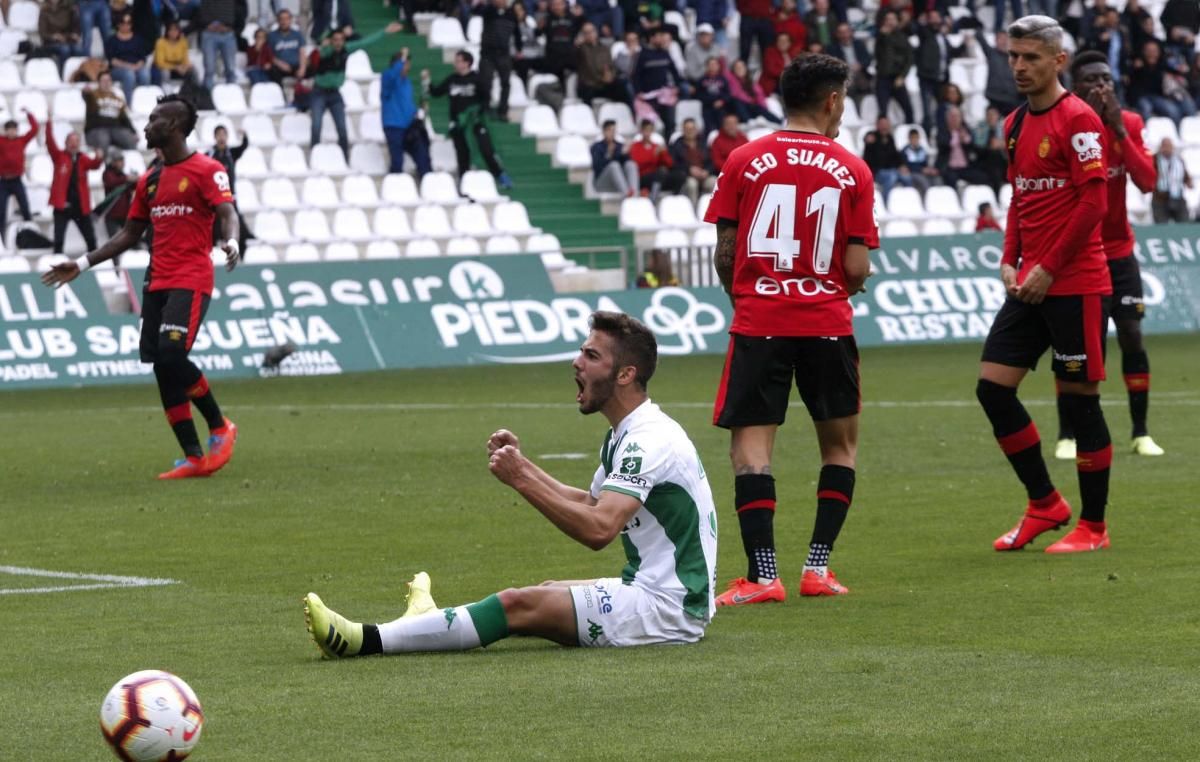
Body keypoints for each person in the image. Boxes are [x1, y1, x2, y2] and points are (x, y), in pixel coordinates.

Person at [303, 311, 718, 656]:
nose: (577, 362)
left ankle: (364, 641)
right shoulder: (628, 434)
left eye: (591, 355)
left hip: (668, 608)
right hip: (654, 592)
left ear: (626, 373)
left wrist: (521, 479)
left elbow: (598, 530)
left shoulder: (648, 440)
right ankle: (425, 622)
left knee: (516, 603)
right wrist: (525, 466)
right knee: (545, 593)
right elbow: (594, 503)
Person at [703, 52, 877, 604]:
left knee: (752, 453)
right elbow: (855, 267)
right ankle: (818, 570)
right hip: (826, 321)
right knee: (839, 450)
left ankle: (761, 576)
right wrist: (830, 289)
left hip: (761, 321)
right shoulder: (854, 169)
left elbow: (725, 253)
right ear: (832, 100)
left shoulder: (743, 159)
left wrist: (752, 298)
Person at [42, 94, 240, 480]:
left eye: (154, 120)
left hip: (191, 277)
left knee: (170, 353)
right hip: (156, 281)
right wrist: (82, 264)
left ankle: (220, 426)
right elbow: (130, 233)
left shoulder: (207, 169)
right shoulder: (149, 181)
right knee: (161, 366)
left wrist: (231, 241)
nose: (146, 126)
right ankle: (194, 456)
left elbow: (227, 211)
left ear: (176, 127)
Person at [978, 16, 1114, 556]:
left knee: (1080, 402)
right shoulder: (1014, 124)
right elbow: (1020, 198)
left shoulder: (1079, 120)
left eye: (1031, 57)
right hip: (1028, 282)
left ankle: (1095, 528)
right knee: (992, 388)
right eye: (1013, 56)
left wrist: (1048, 267)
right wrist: (1010, 259)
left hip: (1074, 283)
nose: (1019, 66)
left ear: (1059, 61)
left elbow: (1093, 203)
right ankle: (1044, 503)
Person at [1052, 51, 1161, 459]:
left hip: (1119, 250)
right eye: (1091, 81)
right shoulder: (1067, 127)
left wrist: (1118, 129)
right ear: (1074, 87)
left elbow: (1148, 183)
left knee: (1132, 336)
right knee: (1078, 348)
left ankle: (1141, 432)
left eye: (1107, 80)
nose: (1102, 87)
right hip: (1079, 256)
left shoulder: (1129, 124)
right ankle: (1067, 435)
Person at [313, 23, 404, 160]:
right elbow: (318, 50)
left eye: (340, 40)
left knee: (343, 129)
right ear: (331, 41)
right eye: (335, 40)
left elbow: (365, 42)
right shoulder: (325, 51)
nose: (338, 43)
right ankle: (315, 155)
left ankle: (344, 158)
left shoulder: (346, 50)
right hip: (319, 92)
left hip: (335, 93)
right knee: (316, 125)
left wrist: (384, 32)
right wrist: (325, 42)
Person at [425, 50, 513, 188]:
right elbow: (436, 92)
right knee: (462, 154)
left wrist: (477, 111)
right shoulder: (452, 79)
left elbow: (486, 99)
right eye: (456, 60)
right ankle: (464, 183)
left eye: (459, 60)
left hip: (475, 122)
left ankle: (500, 175)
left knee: (486, 149)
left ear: (467, 63)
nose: (456, 63)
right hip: (458, 124)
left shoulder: (477, 79)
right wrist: (427, 82)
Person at [46, 122, 103, 254]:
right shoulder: (59, 156)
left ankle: (94, 266)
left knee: (91, 241)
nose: (74, 144)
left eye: (76, 141)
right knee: (58, 242)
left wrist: (99, 157)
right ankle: (57, 267)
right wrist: (49, 123)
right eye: (71, 141)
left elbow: (94, 165)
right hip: (62, 207)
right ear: (66, 143)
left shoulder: (82, 158)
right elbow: (50, 142)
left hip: (80, 207)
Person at [382, 49, 431, 178]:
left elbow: (407, 104)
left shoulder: (407, 82)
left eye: (407, 63)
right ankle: (394, 188)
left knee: (423, 159)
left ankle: (428, 186)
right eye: (404, 64)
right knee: (397, 162)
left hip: (410, 127)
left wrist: (418, 112)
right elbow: (393, 75)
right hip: (394, 127)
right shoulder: (387, 77)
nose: (407, 67)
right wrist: (402, 58)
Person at [208, 125, 251, 255]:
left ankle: (239, 252)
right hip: (214, 199)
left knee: (236, 224)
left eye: (224, 134)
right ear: (215, 137)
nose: (221, 138)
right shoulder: (210, 155)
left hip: (230, 198)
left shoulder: (231, 153)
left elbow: (244, 146)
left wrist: (245, 136)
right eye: (219, 135)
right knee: (214, 228)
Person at [632, 28, 682, 137]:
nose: (662, 39)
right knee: (649, 125)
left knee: (670, 123)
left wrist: (677, 85)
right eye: (659, 36)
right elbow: (636, 75)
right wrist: (638, 91)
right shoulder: (643, 55)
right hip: (647, 97)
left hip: (664, 96)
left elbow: (674, 71)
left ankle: (669, 147)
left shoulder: (665, 53)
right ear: (652, 38)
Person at [476, 0, 520, 120]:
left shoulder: (512, 14)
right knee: (485, 81)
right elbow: (477, 11)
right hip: (487, 53)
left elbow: (517, 32)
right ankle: (485, 107)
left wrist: (519, 48)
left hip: (503, 54)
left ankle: (503, 111)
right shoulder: (489, 11)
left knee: (505, 83)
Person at [0, 113, 38, 245]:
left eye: (14, 129)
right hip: (3, 181)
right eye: (9, 129)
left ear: (16, 130)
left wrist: (29, 115)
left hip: (17, 181)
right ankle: (2, 241)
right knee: (1, 212)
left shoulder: (21, 140)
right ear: (5, 131)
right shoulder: (1, 141)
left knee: (25, 208)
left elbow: (34, 129)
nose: (12, 132)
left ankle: (31, 237)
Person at [874, 11, 915, 125]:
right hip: (883, 78)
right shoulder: (880, 37)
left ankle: (909, 133)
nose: (890, 22)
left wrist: (902, 76)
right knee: (883, 111)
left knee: (908, 109)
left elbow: (909, 59)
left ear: (897, 21)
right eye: (887, 19)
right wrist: (883, 36)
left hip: (897, 77)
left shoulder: (902, 37)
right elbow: (879, 54)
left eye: (892, 19)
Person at [575, 22, 629, 106]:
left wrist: (611, 75)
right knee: (586, 91)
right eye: (586, 33)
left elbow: (612, 66)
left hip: (605, 84)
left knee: (621, 86)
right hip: (590, 85)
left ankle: (625, 114)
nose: (590, 34)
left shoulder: (604, 48)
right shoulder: (581, 49)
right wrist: (577, 45)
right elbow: (575, 57)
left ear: (596, 32)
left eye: (592, 31)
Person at [84, 71, 139, 151]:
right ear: (98, 83)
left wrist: (133, 132)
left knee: (130, 140)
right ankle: (102, 163)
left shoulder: (118, 98)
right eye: (104, 81)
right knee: (103, 139)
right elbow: (86, 96)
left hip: (114, 129)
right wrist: (85, 92)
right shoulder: (92, 95)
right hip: (96, 129)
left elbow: (124, 118)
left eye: (108, 80)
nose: (106, 83)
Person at [973, 29, 1021, 115]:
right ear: (996, 41)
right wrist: (977, 26)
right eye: (1001, 39)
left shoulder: (1016, 57)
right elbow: (980, 37)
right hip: (994, 97)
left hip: (1011, 99)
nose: (1003, 42)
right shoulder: (991, 53)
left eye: (1005, 39)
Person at [669, 118, 716, 204]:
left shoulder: (703, 143)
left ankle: (712, 211)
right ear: (683, 130)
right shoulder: (676, 145)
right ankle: (693, 211)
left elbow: (712, 161)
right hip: (687, 176)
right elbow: (673, 164)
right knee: (692, 184)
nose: (690, 131)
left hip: (704, 175)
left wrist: (707, 171)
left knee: (714, 181)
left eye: (692, 129)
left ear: (696, 130)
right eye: (687, 129)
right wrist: (689, 170)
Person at [105, 13, 151, 102]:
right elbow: (112, 60)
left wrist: (137, 66)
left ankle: (143, 103)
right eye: (123, 23)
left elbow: (142, 58)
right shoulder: (112, 40)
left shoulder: (138, 39)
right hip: (118, 69)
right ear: (118, 24)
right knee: (129, 75)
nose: (126, 25)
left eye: (128, 23)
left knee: (145, 74)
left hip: (136, 66)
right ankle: (128, 104)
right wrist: (129, 66)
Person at [862, 116, 908, 199]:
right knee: (891, 177)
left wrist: (902, 165)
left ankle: (908, 201)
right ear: (877, 125)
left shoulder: (890, 138)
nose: (884, 126)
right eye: (882, 124)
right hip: (876, 172)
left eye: (886, 124)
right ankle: (885, 202)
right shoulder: (872, 137)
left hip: (892, 170)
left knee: (907, 177)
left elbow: (896, 155)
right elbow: (866, 138)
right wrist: (866, 138)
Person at [628, 119, 675, 199]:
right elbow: (638, 163)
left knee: (673, 174)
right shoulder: (635, 146)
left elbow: (670, 163)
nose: (647, 133)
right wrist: (652, 155)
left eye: (650, 130)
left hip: (656, 177)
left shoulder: (656, 146)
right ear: (641, 131)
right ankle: (653, 198)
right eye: (646, 130)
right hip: (642, 177)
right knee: (659, 173)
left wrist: (663, 153)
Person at [725, 59, 782, 124]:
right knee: (737, 101)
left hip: (751, 108)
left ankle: (780, 122)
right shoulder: (732, 80)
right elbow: (737, 93)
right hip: (739, 110)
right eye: (737, 67)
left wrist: (762, 106)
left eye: (741, 67)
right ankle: (748, 121)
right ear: (733, 70)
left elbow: (759, 95)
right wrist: (750, 101)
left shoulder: (751, 82)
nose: (740, 69)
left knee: (759, 108)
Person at [591, 119, 639, 196]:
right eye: (610, 130)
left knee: (631, 164)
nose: (612, 133)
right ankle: (627, 195)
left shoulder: (619, 146)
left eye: (614, 130)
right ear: (604, 131)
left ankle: (635, 194)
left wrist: (625, 154)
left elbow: (625, 165)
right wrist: (609, 155)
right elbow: (597, 168)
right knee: (614, 166)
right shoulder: (597, 147)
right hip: (602, 183)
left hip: (619, 182)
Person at [1151, 137, 1192, 222]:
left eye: (1169, 146)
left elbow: (1185, 175)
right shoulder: (1154, 160)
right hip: (1160, 198)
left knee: (1184, 223)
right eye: (1165, 146)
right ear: (1160, 147)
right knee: (1161, 226)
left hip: (1177, 197)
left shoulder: (1178, 160)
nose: (1167, 149)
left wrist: (1189, 182)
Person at [826, 22, 871, 98]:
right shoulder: (832, 48)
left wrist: (860, 65)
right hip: (844, 75)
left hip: (860, 72)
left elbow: (867, 59)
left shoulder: (859, 44)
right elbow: (832, 65)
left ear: (851, 32)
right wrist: (846, 67)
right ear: (837, 34)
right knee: (849, 84)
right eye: (842, 33)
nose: (845, 35)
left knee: (865, 82)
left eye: (847, 32)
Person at [100, 148, 136, 240]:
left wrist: (136, 180)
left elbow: (133, 187)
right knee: (113, 241)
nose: (122, 163)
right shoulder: (107, 174)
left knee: (131, 238)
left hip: (124, 214)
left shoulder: (123, 175)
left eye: (122, 160)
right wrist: (128, 179)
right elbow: (112, 182)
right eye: (119, 160)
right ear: (112, 162)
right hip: (112, 214)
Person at [266, 9, 308, 85]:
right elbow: (269, 55)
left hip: (295, 65)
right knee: (273, 71)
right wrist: (280, 64)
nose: (284, 21)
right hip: (280, 66)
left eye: (286, 19)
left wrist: (302, 68)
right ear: (278, 21)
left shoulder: (297, 34)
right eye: (281, 19)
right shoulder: (272, 36)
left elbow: (302, 52)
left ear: (290, 20)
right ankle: (280, 94)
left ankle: (302, 93)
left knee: (310, 68)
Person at [38, 0, 83, 69]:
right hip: (50, 42)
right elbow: (42, 33)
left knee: (78, 49)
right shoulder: (44, 11)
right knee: (65, 49)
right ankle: (63, 73)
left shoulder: (68, 8)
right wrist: (54, 36)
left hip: (67, 39)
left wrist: (76, 34)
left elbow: (75, 25)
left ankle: (77, 73)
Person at [153, 20, 194, 85]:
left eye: (176, 30)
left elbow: (185, 59)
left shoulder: (183, 41)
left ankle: (190, 91)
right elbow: (160, 63)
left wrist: (186, 66)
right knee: (165, 72)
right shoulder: (160, 42)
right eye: (171, 30)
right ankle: (166, 91)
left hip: (178, 67)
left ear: (179, 31)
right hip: (164, 67)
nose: (173, 32)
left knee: (192, 70)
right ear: (167, 31)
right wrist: (175, 67)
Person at [900, 128, 938, 194]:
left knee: (937, 179)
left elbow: (925, 164)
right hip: (913, 173)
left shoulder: (922, 150)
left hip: (923, 172)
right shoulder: (905, 151)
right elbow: (907, 167)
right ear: (909, 138)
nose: (915, 140)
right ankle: (927, 201)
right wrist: (921, 170)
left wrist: (929, 170)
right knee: (924, 181)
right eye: (913, 138)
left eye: (916, 138)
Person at [737, 0, 774, 65]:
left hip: (764, 17)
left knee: (767, 50)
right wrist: (745, 10)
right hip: (748, 17)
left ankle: (768, 72)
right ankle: (742, 73)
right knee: (745, 49)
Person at [759, 32, 794, 97]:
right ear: (776, 42)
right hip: (773, 84)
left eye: (785, 41)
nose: (782, 43)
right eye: (780, 40)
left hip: (787, 82)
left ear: (789, 43)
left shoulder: (791, 54)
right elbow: (771, 70)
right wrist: (788, 74)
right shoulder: (770, 52)